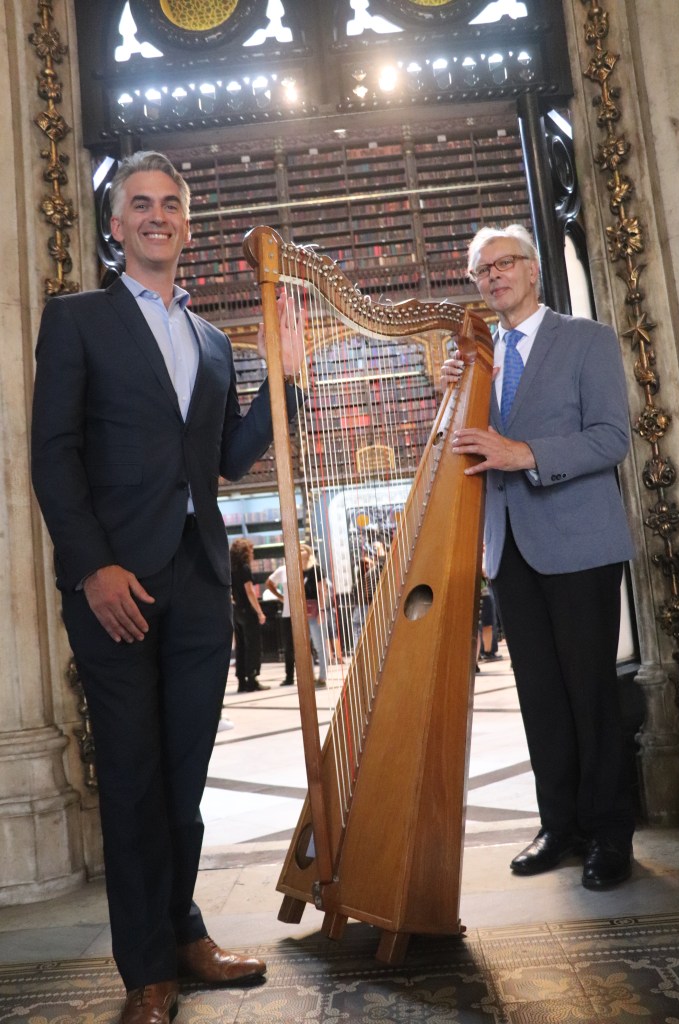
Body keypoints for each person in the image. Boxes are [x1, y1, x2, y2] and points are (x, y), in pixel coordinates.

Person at [30, 151, 303, 1024]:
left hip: (196, 577)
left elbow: (226, 459)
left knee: (183, 777)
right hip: (114, 581)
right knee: (133, 776)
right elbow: (53, 454)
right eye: (140, 205)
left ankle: (183, 933)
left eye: (171, 205)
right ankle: (146, 968)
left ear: (187, 223)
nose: (157, 216)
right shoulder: (76, 319)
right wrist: (92, 566)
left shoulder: (211, 341)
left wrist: (285, 379)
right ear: (116, 226)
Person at [441, 224, 635, 890]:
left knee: (590, 693)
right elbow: (464, 450)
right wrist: (451, 395)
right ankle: (559, 826)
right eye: (481, 270)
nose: (492, 276)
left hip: (579, 544)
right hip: (509, 547)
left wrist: (523, 454)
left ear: (531, 270)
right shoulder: (475, 359)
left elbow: (611, 438)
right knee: (540, 697)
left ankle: (609, 833)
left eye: (503, 263)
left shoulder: (586, 339)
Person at [230, 538, 268, 692]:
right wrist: (259, 612)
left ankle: (241, 681)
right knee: (252, 645)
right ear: (245, 552)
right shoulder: (245, 568)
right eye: (251, 550)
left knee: (240, 646)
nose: (252, 553)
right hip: (247, 611)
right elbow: (250, 591)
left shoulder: (230, 568)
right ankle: (252, 680)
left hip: (236, 611)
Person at [300, 544, 328, 686]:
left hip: (315, 611)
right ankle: (310, 677)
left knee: (319, 646)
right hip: (301, 613)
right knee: (304, 648)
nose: (299, 551)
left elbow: (323, 591)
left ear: (308, 552)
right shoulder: (297, 571)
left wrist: (322, 611)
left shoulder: (316, 569)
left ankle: (322, 677)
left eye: (302, 549)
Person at [265, 562, 295, 686]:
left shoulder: (307, 568)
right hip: (287, 612)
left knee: (307, 645)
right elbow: (269, 583)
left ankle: (309, 675)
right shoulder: (282, 569)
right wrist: (281, 597)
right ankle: (289, 677)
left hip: (304, 613)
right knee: (288, 647)